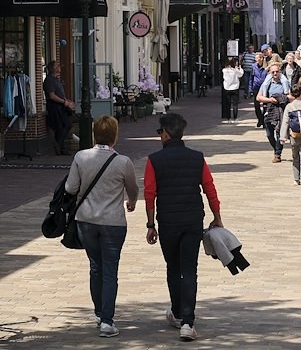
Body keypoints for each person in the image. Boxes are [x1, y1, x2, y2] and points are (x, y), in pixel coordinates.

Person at [144, 113, 223, 342]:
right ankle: (188, 322)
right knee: (189, 269)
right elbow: (210, 188)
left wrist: (150, 224)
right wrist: (217, 216)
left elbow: (150, 194)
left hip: (167, 220)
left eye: (160, 132)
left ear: (167, 134)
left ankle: (177, 312)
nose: (159, 136)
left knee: (172, 266)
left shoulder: (154, 160)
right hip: (192, 220)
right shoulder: (197, 158)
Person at [66, 116, 138, 338]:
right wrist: (132, 202)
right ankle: (107, 320)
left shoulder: (81, 157)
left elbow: (71, 187)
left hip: (86, 220)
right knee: (110, 270)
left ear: (94, 134)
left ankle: (99, 313)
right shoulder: (123, 162)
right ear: (115, 136)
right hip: (113, 222)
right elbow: (133, 189)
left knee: (95, 266)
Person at [256, 62, 292, 163]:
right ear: (270, 73)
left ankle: (277, 154)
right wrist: (270, 100)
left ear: (280, 72)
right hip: (269, 109)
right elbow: (259, 97)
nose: (275, 74)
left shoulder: (285, 82)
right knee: (269, 134)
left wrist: (281, 98)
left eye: (277, 71)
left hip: (281, 109)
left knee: (279, 132)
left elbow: (290, 96)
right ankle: (276, 148)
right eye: (273, 72)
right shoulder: (266, 84)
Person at [43, 60, 78, 155]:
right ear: (53, 69)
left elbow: (59, 94)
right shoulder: (49, 80)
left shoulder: (56, 80)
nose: (60, 67)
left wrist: (67, 101)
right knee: (64, 125)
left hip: (61, 106)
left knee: (63, 126)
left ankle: (60, 148)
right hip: (55, 107)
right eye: (57, 65)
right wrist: (64, 102)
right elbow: (52, 96)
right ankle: (58, 145)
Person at [221, 57, 243, 124]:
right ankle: (235, 118)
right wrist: (240, 68)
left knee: (228, 104)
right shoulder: (235, 70)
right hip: (235, 88)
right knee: (235, 104)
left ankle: (228, 118)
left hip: (227, 88)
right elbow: (240, 75)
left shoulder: (224, 70)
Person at [249, 52, 268, 128]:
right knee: (256, 105)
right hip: (256, 87)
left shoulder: (266, 67)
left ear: (262, 59)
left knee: (265, 105)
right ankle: (260, 119)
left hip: (264, 88)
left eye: (258, 58)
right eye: (256, 58)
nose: (256, 60)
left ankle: (263, 120)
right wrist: (250, 88)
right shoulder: (253, 67)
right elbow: (251, 78)